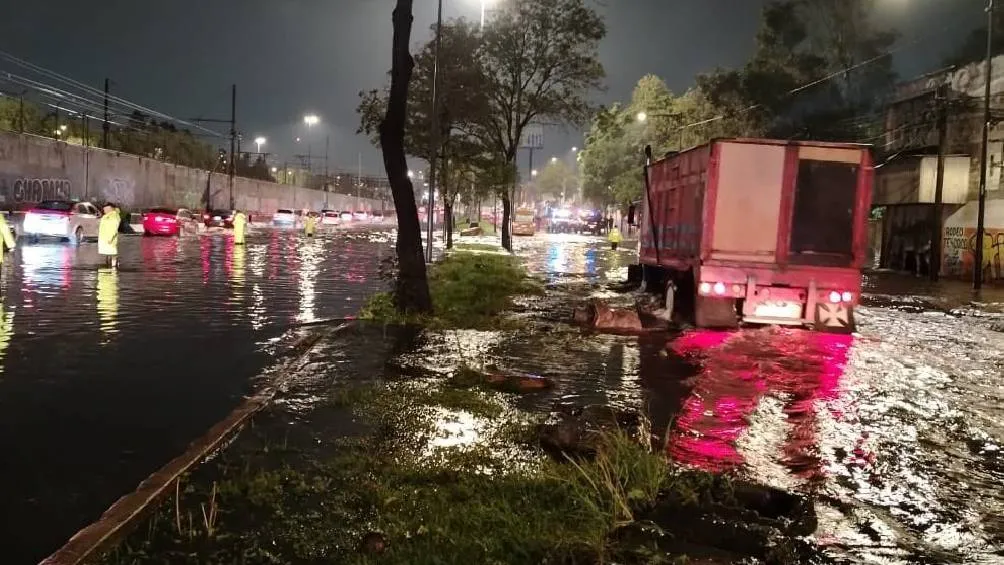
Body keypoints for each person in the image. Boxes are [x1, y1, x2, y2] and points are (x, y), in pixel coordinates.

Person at [99, 202, 120, 268]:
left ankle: (114, 268)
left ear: (109, 208)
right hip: (105, 239)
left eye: (105, 209)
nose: (104, 210)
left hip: (109, 239)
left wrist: (110, 238)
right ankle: (110, 266)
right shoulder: (106, 216)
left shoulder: (114, 216)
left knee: (112, 254)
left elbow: (114, 228)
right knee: (108, 254)